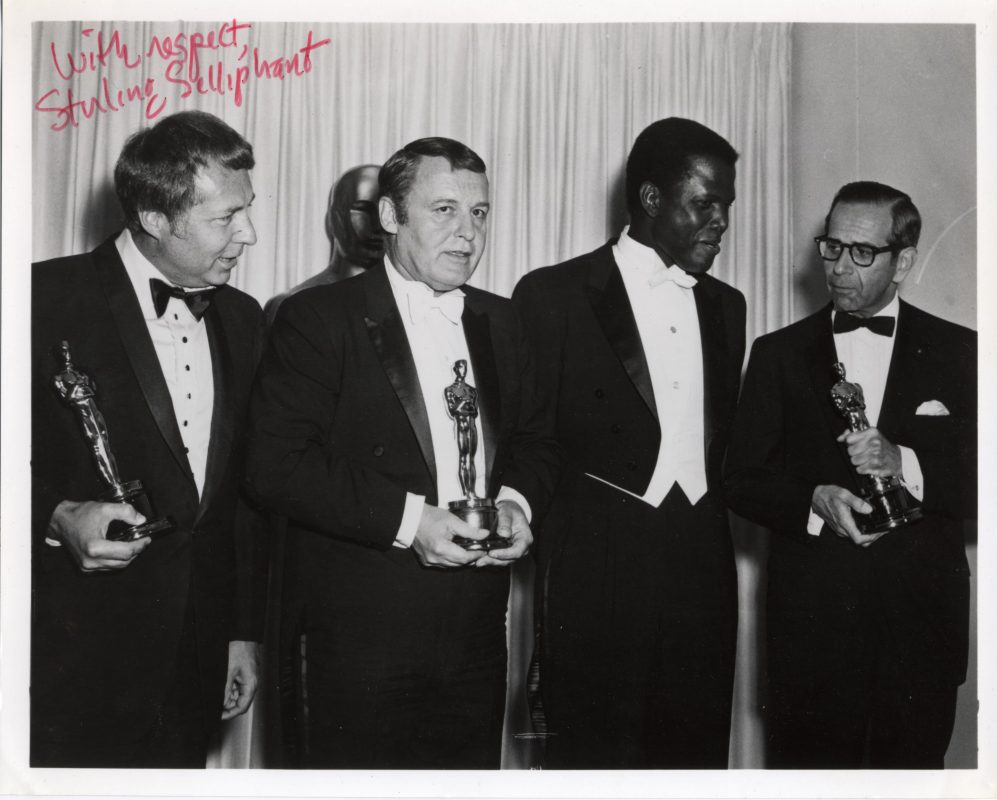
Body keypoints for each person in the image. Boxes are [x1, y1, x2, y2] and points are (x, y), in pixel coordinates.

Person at [246, 137, 560, 768]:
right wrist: (411, 521)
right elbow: (276, 465)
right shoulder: (317, 316)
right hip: (356, 639)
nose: (467, 232)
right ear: (390, 216)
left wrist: (517, 504)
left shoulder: (504, 322)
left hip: (476, 634)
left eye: (479, 212)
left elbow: (537, 440)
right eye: (444, 210)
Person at [31, 110, 268, 767]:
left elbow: (243, 497)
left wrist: (241, 634)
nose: (248, 234)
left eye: (247, 210)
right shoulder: (38, 297)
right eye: (226, 217)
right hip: (68, 655)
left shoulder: (244, 319)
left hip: (198, 656)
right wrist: (55, 514)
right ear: (154, 218)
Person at [512, 117, 744, 768]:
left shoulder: (728, 307)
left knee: (694, 760)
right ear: (649, 198)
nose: (721, 221)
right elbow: (530, 441)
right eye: (705, 203)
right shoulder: (551, 294)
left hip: (703, 571)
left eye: (727, 205)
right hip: (594, 575)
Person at [724, 181, 977, 768]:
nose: (839, 267)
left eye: (862, 252)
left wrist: (905, 462)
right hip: (810, 634)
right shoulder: (776, 353)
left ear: (903, 262)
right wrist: (813, 502)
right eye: (832, 247)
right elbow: (741, 478)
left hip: (920, 633)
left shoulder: (963, 352)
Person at [264, 164, 384, 325]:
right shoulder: (292, 304)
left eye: (387, 213)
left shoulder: (409, 303)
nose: (378, 226)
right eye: (363, 210)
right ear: (334, 219)